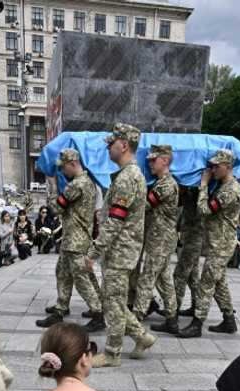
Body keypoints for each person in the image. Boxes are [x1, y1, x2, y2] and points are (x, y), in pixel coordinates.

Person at [86, 124, 157, 366]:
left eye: (111, 143)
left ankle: (112, 353)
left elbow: (116, 222)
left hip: (119, 250)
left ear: (124, 144)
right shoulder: (130, 175)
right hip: (122, 249)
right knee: (113, 298)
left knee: (112, 301)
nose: (108, 147)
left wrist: (94, 251)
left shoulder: (128, 177)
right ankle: (141, 336)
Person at [178, 149, 240, 338]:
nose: (212, 169)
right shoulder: (224, 187)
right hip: (217, 243)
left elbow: (204, 210)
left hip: (221, 245)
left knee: (206, 282)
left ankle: (197, 324)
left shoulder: (229, 190)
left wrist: (204, 185)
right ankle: (229, 321)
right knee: (219, 282)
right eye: (211, 166)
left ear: (228, 167)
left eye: (217, 166)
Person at [37, 149, 104, 329]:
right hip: (76, 238)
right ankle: (61, 308)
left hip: (75, 239)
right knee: (63, 272)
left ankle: (98, 314)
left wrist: (51, 186)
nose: (62, 171)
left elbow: (57, 208)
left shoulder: (77, 184)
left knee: (81, 278)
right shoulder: (88, 181)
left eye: (64, 167)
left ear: (73, 164)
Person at [134, 145, 181, 334]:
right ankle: (172, 319)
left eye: (154, 160)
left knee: (147, 278)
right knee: (164, 279)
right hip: (160, 238)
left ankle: (134, 320)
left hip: (161, 239)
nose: (150, 163)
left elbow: (144, 205)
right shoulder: (160, 183)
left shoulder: (166, 185)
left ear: (165, 160)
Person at [172, 186, 204, 318]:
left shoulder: (200, 193)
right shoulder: (189, 192)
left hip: (193, 239)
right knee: (193, 277)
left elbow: (201, 210)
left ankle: (173, 311)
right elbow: (179, 205)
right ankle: (196, 306)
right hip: (188, 238)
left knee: (180, 274)